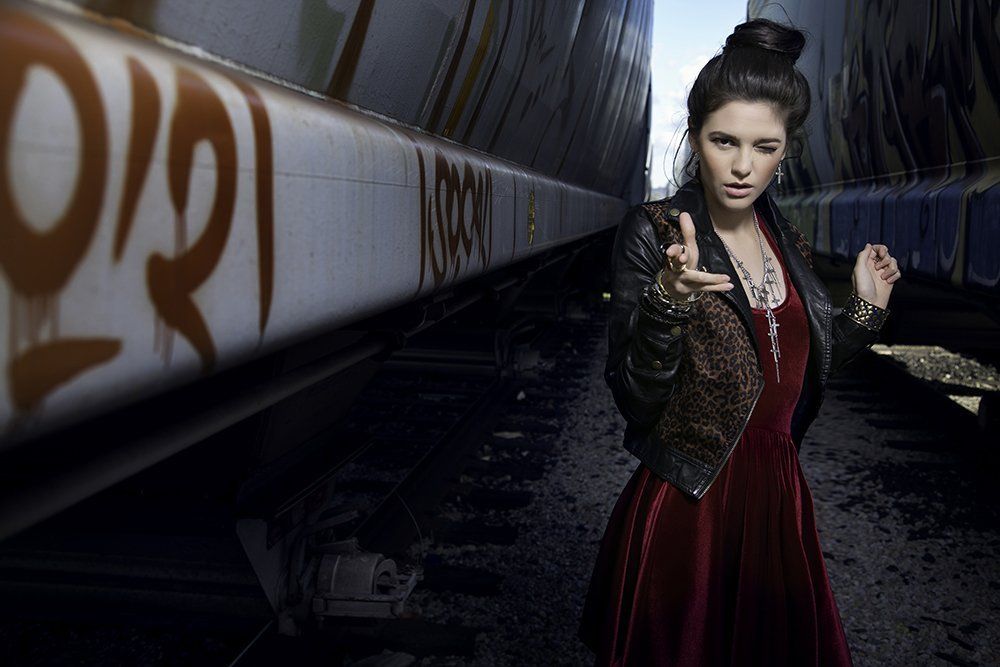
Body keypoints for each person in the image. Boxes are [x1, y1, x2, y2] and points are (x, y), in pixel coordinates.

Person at [578, 17, 900, 667]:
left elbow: (800, 367)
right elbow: (636, 397)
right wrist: (670, 300)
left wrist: (866, 309)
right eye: (725, 140)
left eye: (766, 146)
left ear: (786, 148)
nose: (744, 166)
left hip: (778, 498)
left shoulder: (790, 243)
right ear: (695, 136)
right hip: (692, 501)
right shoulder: (655, 230)